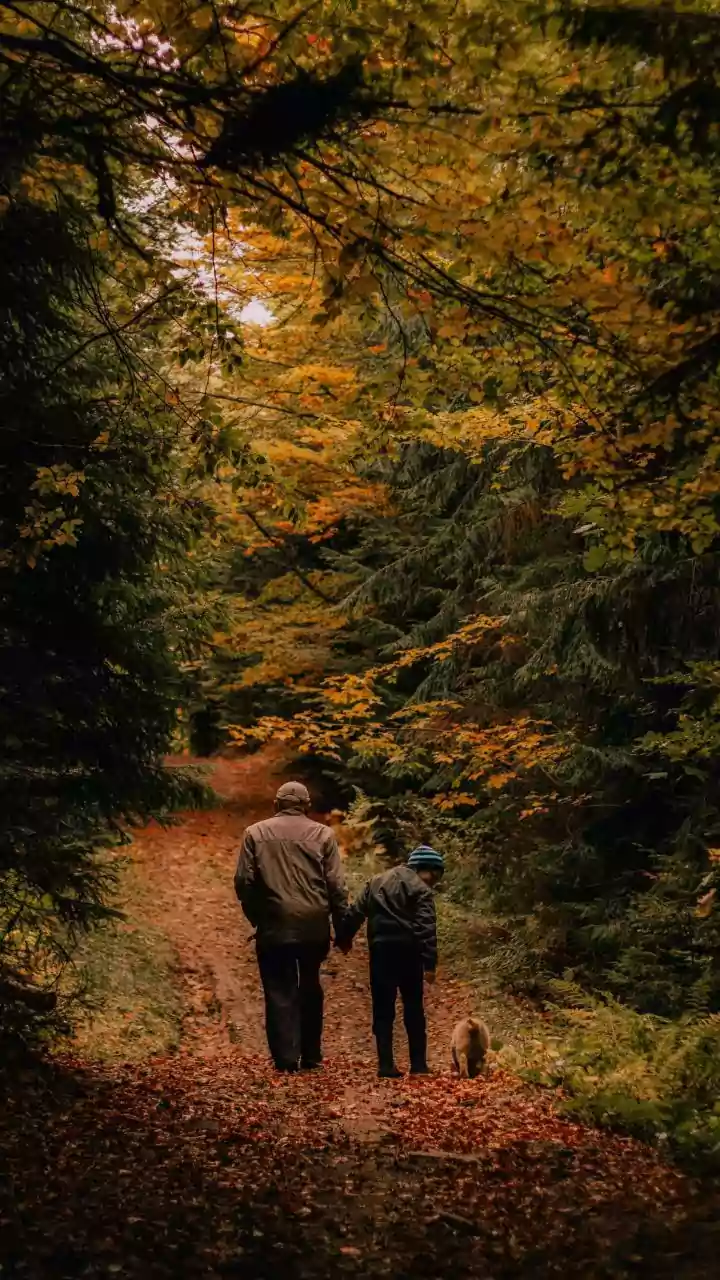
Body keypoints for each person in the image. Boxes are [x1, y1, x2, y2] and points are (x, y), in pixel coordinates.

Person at [234, 780, 348, 1073]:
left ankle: (286, 1059)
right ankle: (311, 1056)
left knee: (278, 988)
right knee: (310, 983)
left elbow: (243, 882)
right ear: (306, 806)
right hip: (314, 924)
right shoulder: (323, 834)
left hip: (274, 923)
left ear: (276, 805)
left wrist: (256, 916)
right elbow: (336, 885)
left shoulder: (254, 834)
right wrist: (342, 927)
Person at [338, 846, 444, 1078]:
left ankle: (385, 1065)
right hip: (409, 952)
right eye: (435, 875)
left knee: (383, 1008)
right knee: (413, 1007)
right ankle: (418, 1065)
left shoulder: (376, 881)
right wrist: (429, 964)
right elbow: (426, 928)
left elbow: (356, 911)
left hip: (381, 950)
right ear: (424, 869)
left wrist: (344, 937)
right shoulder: (421, 889)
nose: (434, 882)